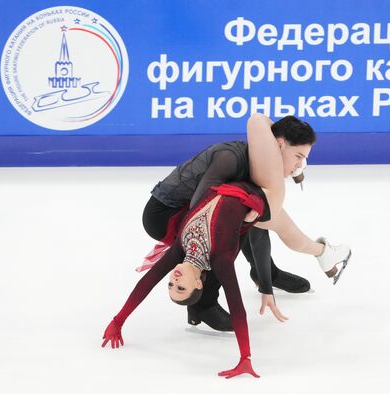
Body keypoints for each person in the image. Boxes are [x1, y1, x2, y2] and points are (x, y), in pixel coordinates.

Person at [141, 115, 336, 332]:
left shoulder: (258, 167)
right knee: (226, 234)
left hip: (191, 207)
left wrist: (265, 284)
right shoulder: (231, 159)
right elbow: (200, 208)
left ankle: (269, 272)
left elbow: (264, 229)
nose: (300, 166)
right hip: (165, 214)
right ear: (279, 144)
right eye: (298, 157)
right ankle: (203, 306)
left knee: (251, 216)